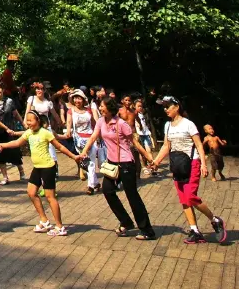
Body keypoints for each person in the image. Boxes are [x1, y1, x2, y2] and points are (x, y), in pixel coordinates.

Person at [150, 97, 227, 244]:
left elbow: (199, 145)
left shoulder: (188, 124)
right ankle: (195, 231)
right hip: (177, 165)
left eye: (168, 106)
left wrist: (204, 164)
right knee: (184, 200)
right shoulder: (167, 125)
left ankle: (215, 220)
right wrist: (156, 162)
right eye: (164, 107)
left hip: (192, 163)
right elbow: (166, 146)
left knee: (191, 196)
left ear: (177, 107)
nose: (165, 109)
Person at [0, 110, 84, 237]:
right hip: (37, 168)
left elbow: (60, 147)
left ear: (38, 121)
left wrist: (74, 156)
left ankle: (60, 227)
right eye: (27, 120)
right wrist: (2, 145)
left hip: (48, 167)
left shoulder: (45, 133)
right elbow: (16, 143)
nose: (28, 123)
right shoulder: (29, 133)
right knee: (31, 193)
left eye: (31, 120)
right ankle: (45, 221)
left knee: (50, 197)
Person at [79, 97, 156, 240]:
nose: (100, 108)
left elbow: (135, 142)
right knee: (107, 190)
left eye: (102, 106)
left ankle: (147, 230)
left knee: (132, 196)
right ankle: (126, 221)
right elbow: (93, 136)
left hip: (126, 163)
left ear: (109, 108)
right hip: (112, 164)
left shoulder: (121, 124)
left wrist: (149, 158)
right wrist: (84, 151)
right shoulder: (101, 121)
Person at [0, 84, 25, 183]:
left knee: (14, 151)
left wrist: (24, 124)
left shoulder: (9, 101)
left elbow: (16, 114)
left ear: (3, 89)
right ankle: (5, 177)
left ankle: (22, 172)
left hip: (9, 130)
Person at [65, 89, 100, 195]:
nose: (77, 100)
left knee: (91, 161)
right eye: (75, 98)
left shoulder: (89, 110)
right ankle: (96, 183)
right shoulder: (71, 111)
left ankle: (90, 186)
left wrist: (98, 136)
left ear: (83, 99)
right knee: (86, 162)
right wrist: (67, 132)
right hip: (79, 140)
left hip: (91, 138)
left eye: (79, 98)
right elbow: (69, 124)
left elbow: (94, 123)